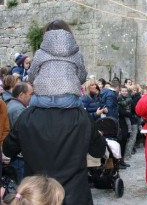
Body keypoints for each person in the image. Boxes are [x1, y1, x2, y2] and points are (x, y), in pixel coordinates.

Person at [3, 55, 106, 204]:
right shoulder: (82, 117)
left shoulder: (27, 116)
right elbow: (98, 151)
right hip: (74, 196)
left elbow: (8, 148)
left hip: (39, 196)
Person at [28, 19, 87, 108]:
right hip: (68, 99)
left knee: (27, 111)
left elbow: (32, 75)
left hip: (42, 99)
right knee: (83, 114)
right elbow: (82, 77)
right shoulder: (77, 54)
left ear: (46, 34)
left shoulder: (40, 53)